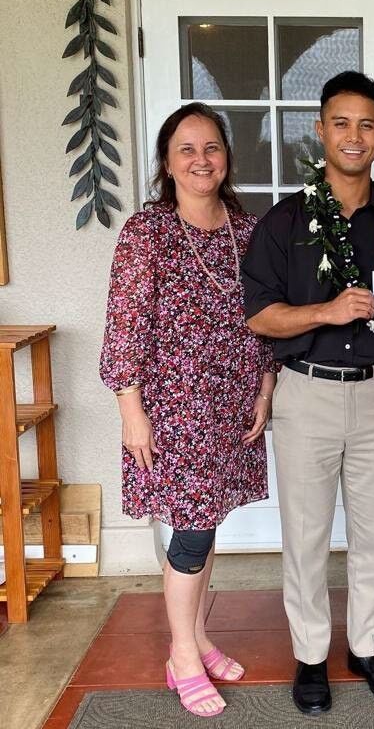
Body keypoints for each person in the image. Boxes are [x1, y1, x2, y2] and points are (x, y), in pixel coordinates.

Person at [242, 71, 374, 716]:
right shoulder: (283, 221)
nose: (354, 135)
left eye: (366, 124)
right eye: (340, 123)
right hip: (306, 394)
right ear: (320, 131)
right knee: (307, 534)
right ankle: (311, 655)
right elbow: (260, 315)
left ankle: (368, 648)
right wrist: (326, 312)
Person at [100, 102, 275, 719]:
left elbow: (265, 320)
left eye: (212, 148)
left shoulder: (248, 231)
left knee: (207, 524)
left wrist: (264, 388)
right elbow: (124, 326)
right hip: (172, 409)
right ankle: (180, 654)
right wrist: (131, 409)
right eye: (186, 149)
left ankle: (199, 637)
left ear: (227, 159)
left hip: (233, 404)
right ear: (167, 164)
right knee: (193, 532)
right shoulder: (146, 233)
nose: (201, 160)